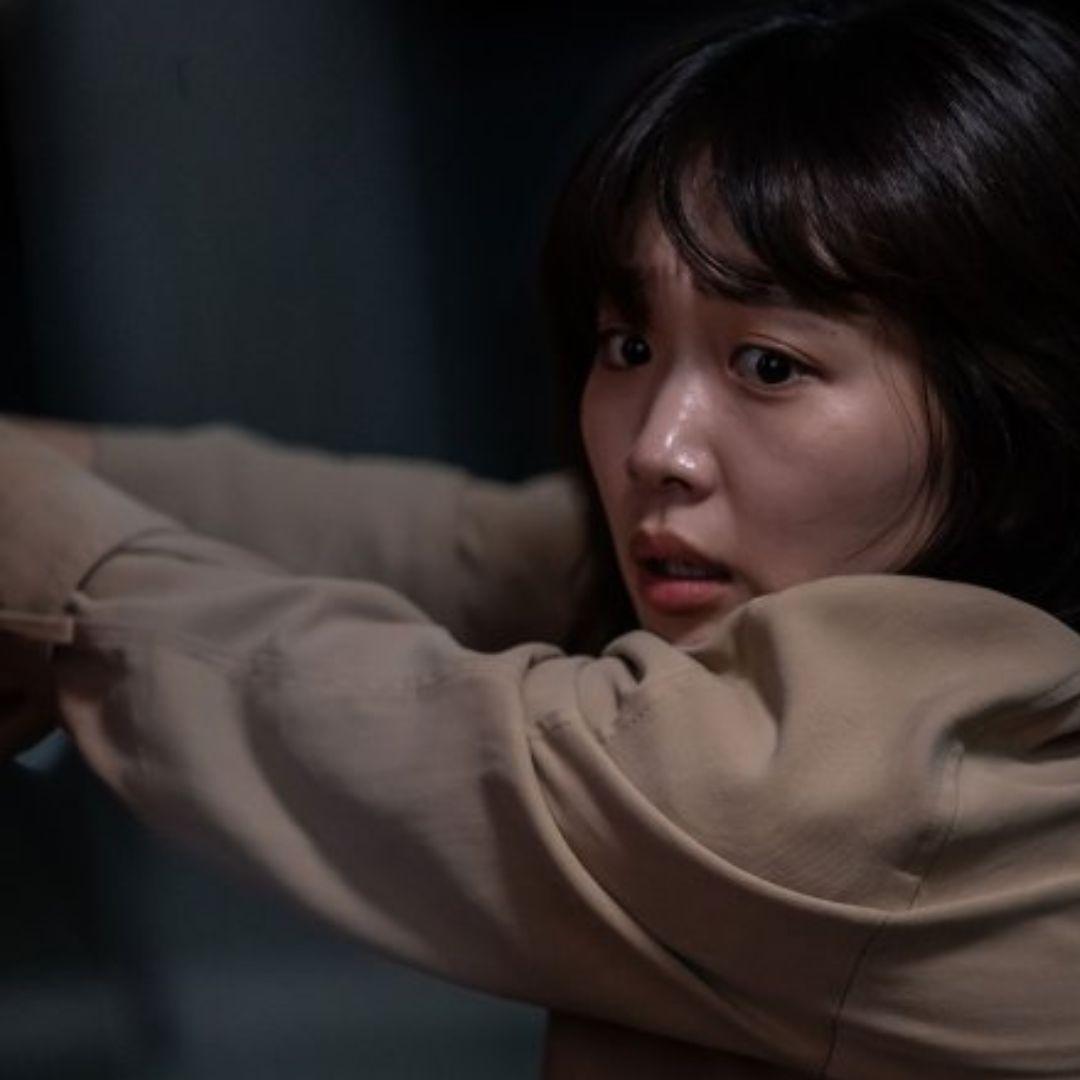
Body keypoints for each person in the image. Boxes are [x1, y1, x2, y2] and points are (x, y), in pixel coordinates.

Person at [4, 0, 1080, 1075]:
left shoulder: (882, 789)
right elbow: (465, 549)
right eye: (628, 345)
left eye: (769, 365)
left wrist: (65, 587)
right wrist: (57, 468)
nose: (656, 448)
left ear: (1016, 428)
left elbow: (407, 739)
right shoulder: (878, 586)